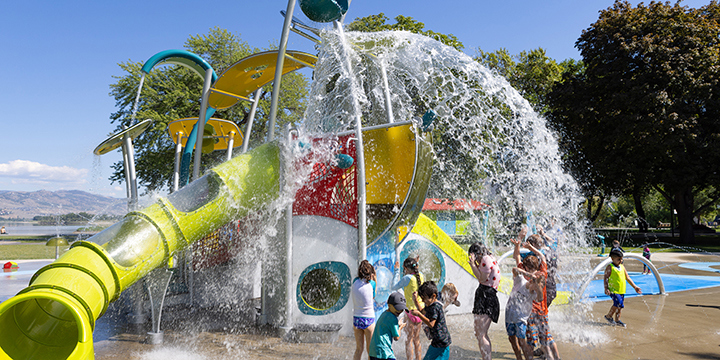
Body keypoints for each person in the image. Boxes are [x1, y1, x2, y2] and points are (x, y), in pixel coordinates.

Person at [512, 233, 560, 360]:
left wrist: (518, 245)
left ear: (526, 267)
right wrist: (533, 249)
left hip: (530, 313)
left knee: (531, 340)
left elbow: (517, 258)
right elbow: (542, 256)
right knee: (547, 337)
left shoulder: (526, 276)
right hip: (543, 312)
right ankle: (555, 357)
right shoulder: (542, 273)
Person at [505, 257, 543, 360]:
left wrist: (538, 287)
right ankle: (519, 358)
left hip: (521, 319)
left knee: (522, 341)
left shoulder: (534, 292)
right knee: (511, 339)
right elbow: (514, 269)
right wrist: (529, 274)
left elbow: (540, 299)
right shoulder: (520, 280)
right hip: (509, 315)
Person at [468, 241, 500, 360]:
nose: (474, 259)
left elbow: (482, 278)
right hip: (485, 295)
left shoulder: (486, 259)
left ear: (477, 253)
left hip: (487, 296)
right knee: (479, 332)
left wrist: (472, 265)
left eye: (473, 256)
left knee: (481, 334)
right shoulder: (489, 257)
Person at [392, 256, 425, 360]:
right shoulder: (421, 275)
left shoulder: (407, 278)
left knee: (409, 340)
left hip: (410, 312)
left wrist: (396, 270)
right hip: (420, 311)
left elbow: (393, 287)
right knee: (417, 339)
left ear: (405, 268)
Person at [410, 281, 451, 360]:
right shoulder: (431, 305)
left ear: (433, 296)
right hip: (438, 341)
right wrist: (415, 301)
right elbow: (424, 312)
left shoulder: (435, 307)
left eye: (423, 298)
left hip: (441, 342)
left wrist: (418, 314)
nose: (422, 301)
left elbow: (431, 324)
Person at [604, 249, 642, 327]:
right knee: (618, 303)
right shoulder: (610, 267)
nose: (621, 261)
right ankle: (608, 316)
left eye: (621, 259)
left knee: (620, 306)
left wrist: (635, 287)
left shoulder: (622, 266)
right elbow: (606, 278)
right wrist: (606, 288)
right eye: (619, 259)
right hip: (613, 290)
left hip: (621, 290)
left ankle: (617, 320)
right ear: (612, 259)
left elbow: (627, 277)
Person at [369, 292, 408, 360]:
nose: (399, 311)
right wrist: (400, 327)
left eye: (402, 309)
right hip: (384, 352)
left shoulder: (384, 314)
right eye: (397, 308)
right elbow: (396, 337)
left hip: (373, 351)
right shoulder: (393, 318)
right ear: (389, 305)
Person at [352, 260, 377, 360]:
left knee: (359, 349)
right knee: (370, 351)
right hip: (369, 320)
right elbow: (373, 296)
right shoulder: (372, 284)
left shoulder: (354, 281)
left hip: (356, 320)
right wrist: (375, 278)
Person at [536, 224, 558, 306]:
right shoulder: (551, 251)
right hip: (549, 285)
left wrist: (542, 234)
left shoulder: (544, 253)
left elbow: (552, 242)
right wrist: (543, 234)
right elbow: (553, 242)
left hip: (547, 285)